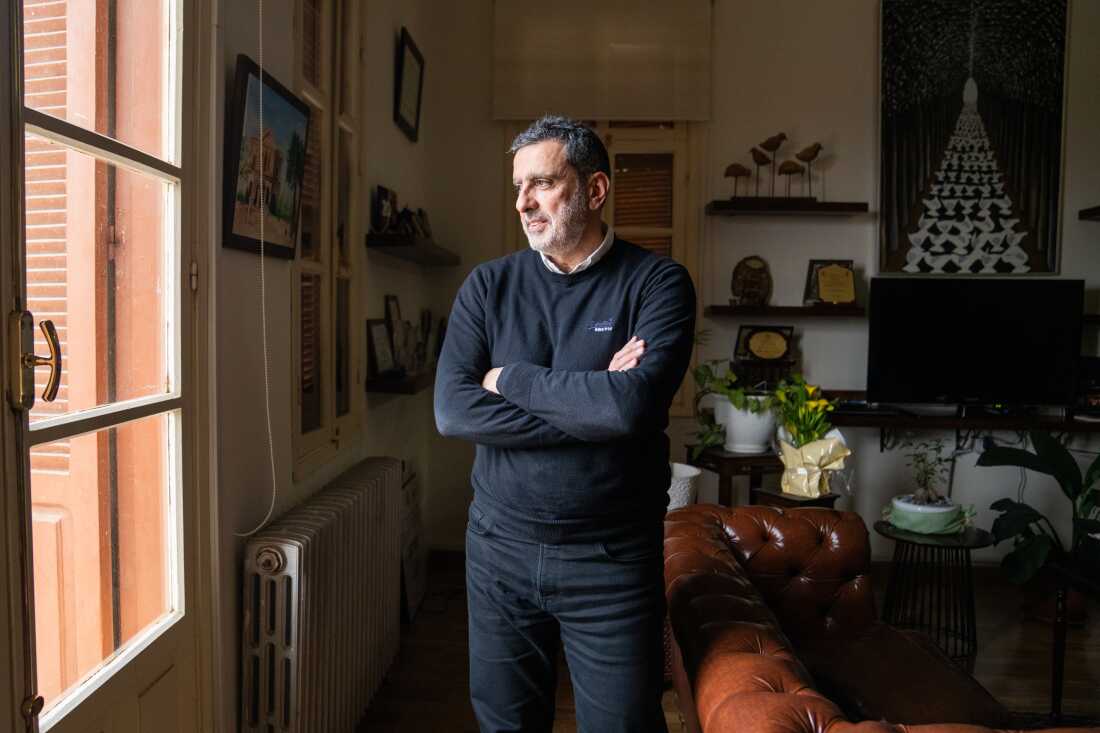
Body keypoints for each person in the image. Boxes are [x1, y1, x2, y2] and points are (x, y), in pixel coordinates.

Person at [434, 115, 696, 733]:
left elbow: (629, 409)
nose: (523, 203)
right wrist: (596, 400)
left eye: (543, 183)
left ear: (594, 190)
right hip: (498, 550)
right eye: (518, 187)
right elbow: (452, 411)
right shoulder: (487, 286)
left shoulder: (658, 284)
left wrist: (510, 379)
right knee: (506, 725)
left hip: (612, 561)